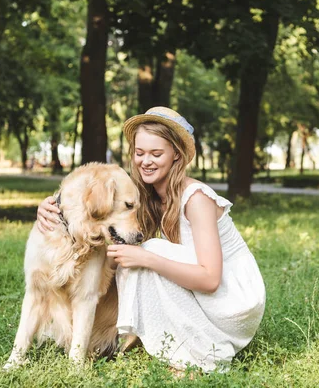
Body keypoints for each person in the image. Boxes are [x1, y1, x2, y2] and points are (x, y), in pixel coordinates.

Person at [36, 106, 266, 372]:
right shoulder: (142, 196)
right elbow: (93, 210)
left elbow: (211, 279)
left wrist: (147, 257)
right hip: (207, 289)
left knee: (147, 251)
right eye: (139, 153)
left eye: (157, 154)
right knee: (125, 253)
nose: (146, 161)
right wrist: (52, 206)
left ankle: (194, 354)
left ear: (176, 156)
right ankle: (99, 334)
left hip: (234, 299)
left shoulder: (197, 199)